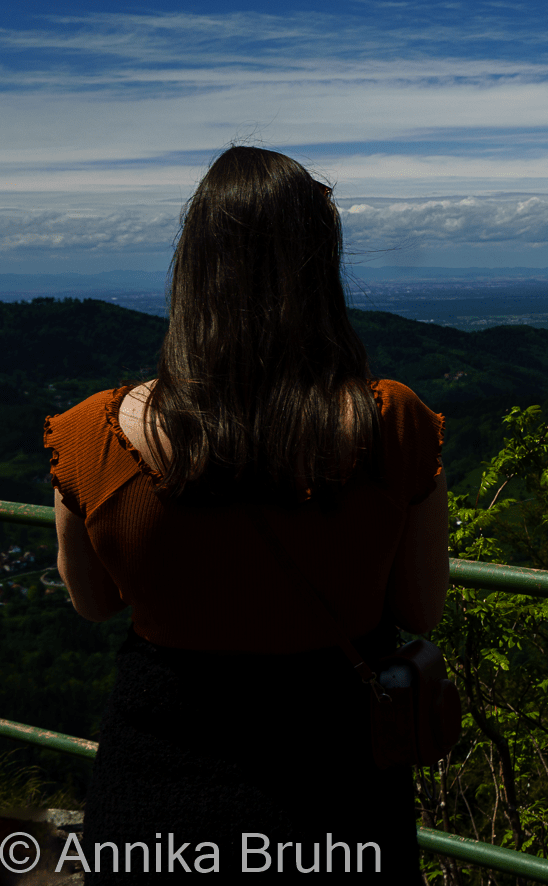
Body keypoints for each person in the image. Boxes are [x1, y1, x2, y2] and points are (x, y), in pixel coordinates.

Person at [45, 146, 448, 882]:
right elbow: (420, 607)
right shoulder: (392, 425)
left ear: (191, 266)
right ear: (319, 267)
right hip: (338, 792)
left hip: (153, 792)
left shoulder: (89, 436)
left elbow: (96, 603)